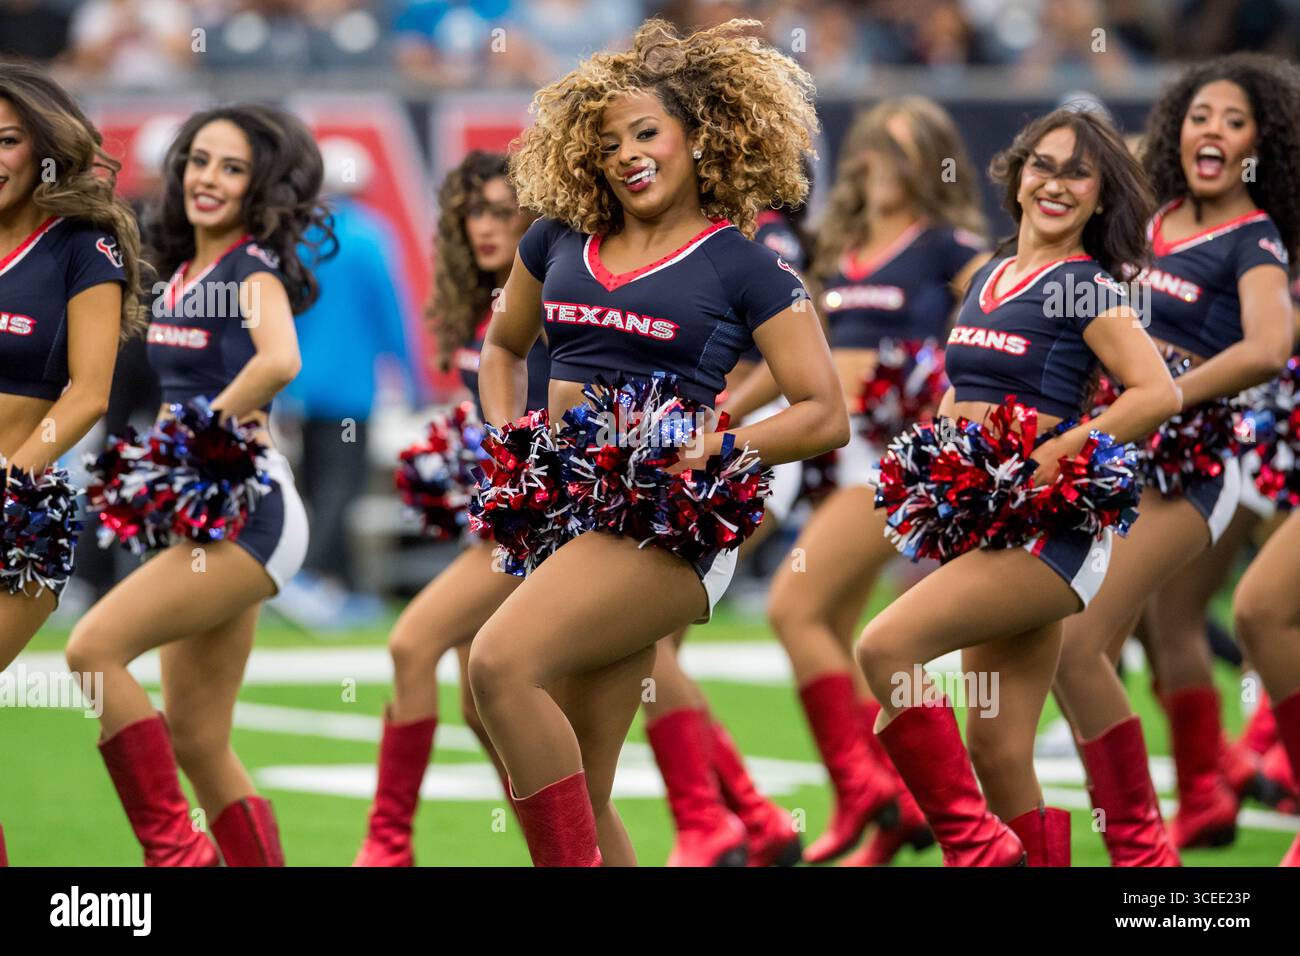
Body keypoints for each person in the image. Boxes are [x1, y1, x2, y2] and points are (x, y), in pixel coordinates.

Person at [468, 18, 844, 866]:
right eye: (608, 141)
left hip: (664, 521)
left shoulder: (744, 265)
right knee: (585, 790)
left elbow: (826, 413)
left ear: (698, 139)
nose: (629, 153)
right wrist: (507, 437)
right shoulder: (556, 239)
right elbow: (502, 347)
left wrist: (721, 447)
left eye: (648, 133)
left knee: (495, 666)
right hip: (563, 510)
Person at [855, 106, 1181, 866]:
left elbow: (1155, 392)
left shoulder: (1083, 287)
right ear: (1018, 175)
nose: (1056, 183)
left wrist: (1058, 450)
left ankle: (975, 850)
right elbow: (963, 387)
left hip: (1047, 529)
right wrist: (932, 460)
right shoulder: (997, 272)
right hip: (987, 521)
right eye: (1044, 164)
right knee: (998, 751)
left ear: (1102, 197)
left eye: (1079, 173)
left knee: (886, 646)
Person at [65, 104, 331, 866]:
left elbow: (280, 360)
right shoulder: (183, 271)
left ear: (260, 189)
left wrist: (206, 423)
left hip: (253, 513)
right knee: (199, 739)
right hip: (201, 510)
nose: (207, 178)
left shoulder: (251, 267)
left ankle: (179, 855)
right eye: (199, 160)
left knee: (92, 650)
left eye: (233, 168)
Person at [1052, 53, 1300, 863]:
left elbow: (1268, 348)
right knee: (1137, 631)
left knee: (1081, 644)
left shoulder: (1254, 239)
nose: (1214, 132)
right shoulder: (1150, 221)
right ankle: (1184, 805)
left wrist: (1168, 390)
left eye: (1235, 121)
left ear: (1262, 142)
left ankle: (1145, 847)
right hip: (1126, 456)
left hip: (1196, 463)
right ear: (1177, 130)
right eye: (1200, 116)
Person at [731, 97, 990, 865]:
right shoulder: (838, 250)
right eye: (876, 150)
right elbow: (792, 353)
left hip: (893, 461)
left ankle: (866, 788)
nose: (885, 167)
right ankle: (895, 801)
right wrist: (730, 410)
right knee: (840, 633)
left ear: (932, 166)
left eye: (908, 153)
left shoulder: (949, 248)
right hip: (830, 457)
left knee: (794, 608)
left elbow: (998, 331)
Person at [353, 149, 559, 866]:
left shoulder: (549, 302)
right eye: (473, 212)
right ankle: (559, 847)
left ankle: (387, 847)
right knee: (480, 705)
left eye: (504, 212)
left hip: (543, 529)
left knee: (412, 644)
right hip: (504, 521)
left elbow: (554, 425)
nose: (486, 226)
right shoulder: (487, 306)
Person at [0, 61, 143, 866]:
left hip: (16, 515)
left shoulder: (80, 247)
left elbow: (88, 394)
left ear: (45, 147)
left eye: (8, 140)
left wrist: (12, 475)